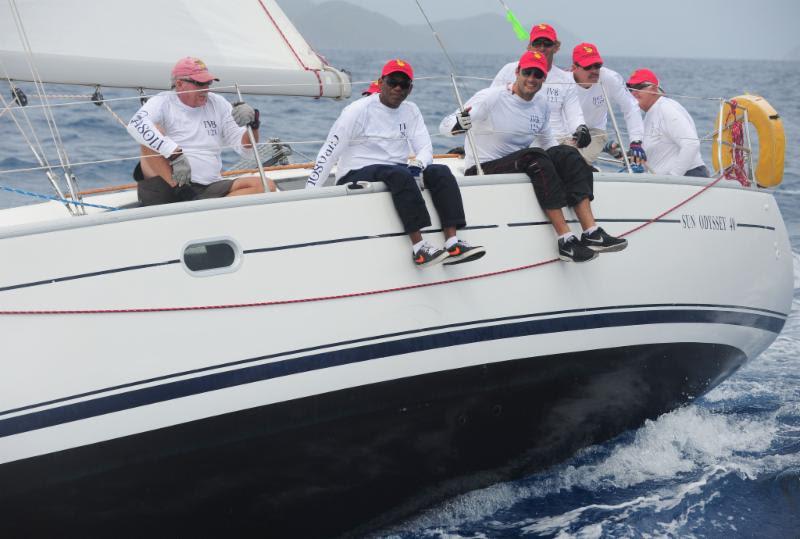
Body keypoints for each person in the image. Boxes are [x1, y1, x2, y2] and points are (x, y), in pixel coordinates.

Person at [440, 51, 627, 263]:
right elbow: (444, 126)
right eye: (527, 72)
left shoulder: (541, 105)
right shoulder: (491, 97)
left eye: (537, 74)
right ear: (517, 72)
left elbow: (550, 144)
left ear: (544, 78)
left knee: (567, 153)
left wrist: (575, 166)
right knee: (536, 157)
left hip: (518, 162)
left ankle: (591, 232)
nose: (531, 79)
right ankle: (565, 240)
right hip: (482, 168)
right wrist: (459, 123)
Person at [305, 59, 485, 268]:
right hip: (355, 173)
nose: (397, 88)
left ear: (411, 88)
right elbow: (329, 152)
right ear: (381, 82)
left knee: (440, 171)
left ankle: (453, 243)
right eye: (392, 82)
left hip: (396, 171)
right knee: (400, 174)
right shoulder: (357, 110)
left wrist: (418, 164)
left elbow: (425, 148)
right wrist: (310, 194)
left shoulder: (411, 110)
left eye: (404, 84)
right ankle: (419, 248)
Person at [127, 56, 276, 206]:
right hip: (168, 185)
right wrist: (175, 155)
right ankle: (187, 196)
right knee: (150, 133)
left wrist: (253, 125)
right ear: (179, 84)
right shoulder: (163, 102)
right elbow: (136, 124)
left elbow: (246, 149)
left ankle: (206, 208)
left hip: (208, 186)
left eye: (208, 83)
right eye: (200, 83)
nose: (206, 89)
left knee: (266, 185)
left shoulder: (217, 103)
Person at [491, 23, 592, 152]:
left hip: (558, 140)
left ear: (556, 47)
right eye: (537, 43)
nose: (542, 48)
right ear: (529, 46)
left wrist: (581, 128)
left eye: (547, 43)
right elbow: (491, 103)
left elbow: (574, 114)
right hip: (516, 140)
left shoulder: (566, 79)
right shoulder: (508, 70)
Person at [570, 42, 646, 166]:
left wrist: (636, 142)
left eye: (597, 65)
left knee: (576, 164)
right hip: (569, 131)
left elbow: (630, 107)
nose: (594, 71)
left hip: (596, 132)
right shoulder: (563, 81)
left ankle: (601, 147)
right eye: (588, 66)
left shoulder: (610, 78)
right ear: (574, 67)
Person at [626, 68, 709, 177]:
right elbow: (649, 159)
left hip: (687, 178)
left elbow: (691, 144)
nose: (634, 92)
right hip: (665, 183)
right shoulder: (650, 115)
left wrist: (673, 177)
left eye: (639, 87)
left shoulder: (666, 109)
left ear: (654, 89)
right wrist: (618, 154)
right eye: (630, 89)